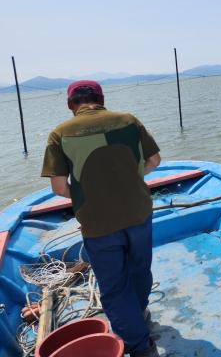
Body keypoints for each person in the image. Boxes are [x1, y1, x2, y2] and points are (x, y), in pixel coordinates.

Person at [40, 80, 161, 357]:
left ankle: (141, 348)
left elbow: (59, 188)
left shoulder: (59, 134)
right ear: (102, 98)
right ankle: (139, 315)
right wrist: (130, 179)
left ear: (71, 105)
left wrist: (90, 195)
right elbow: (154, 160)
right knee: (140, 269)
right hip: (139, 213)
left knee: (114, 286)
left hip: (98, 223)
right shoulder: (128, 121)